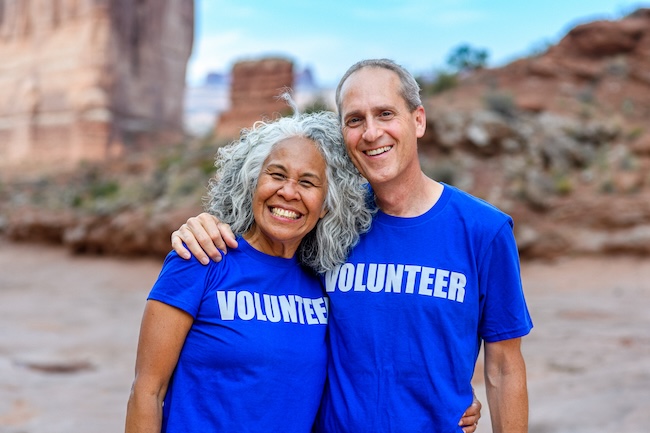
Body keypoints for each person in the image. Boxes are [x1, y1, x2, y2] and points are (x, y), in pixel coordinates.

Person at [173, 59, 526, 433]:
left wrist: (452, 395)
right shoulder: (329, 220)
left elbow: (504, 368)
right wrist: (202, 226)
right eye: (355, 120)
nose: (371, 133)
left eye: (385, 114)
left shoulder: (484, 231)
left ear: (418, 120)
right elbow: (263, 243)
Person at [125, 106, 375, 432]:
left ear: (327, 205)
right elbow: (147, 392)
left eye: (308, 182)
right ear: (252, 182)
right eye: (277, 174)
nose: (288, 192)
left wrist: (459, 399)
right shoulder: (201, 258)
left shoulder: (326, 282)